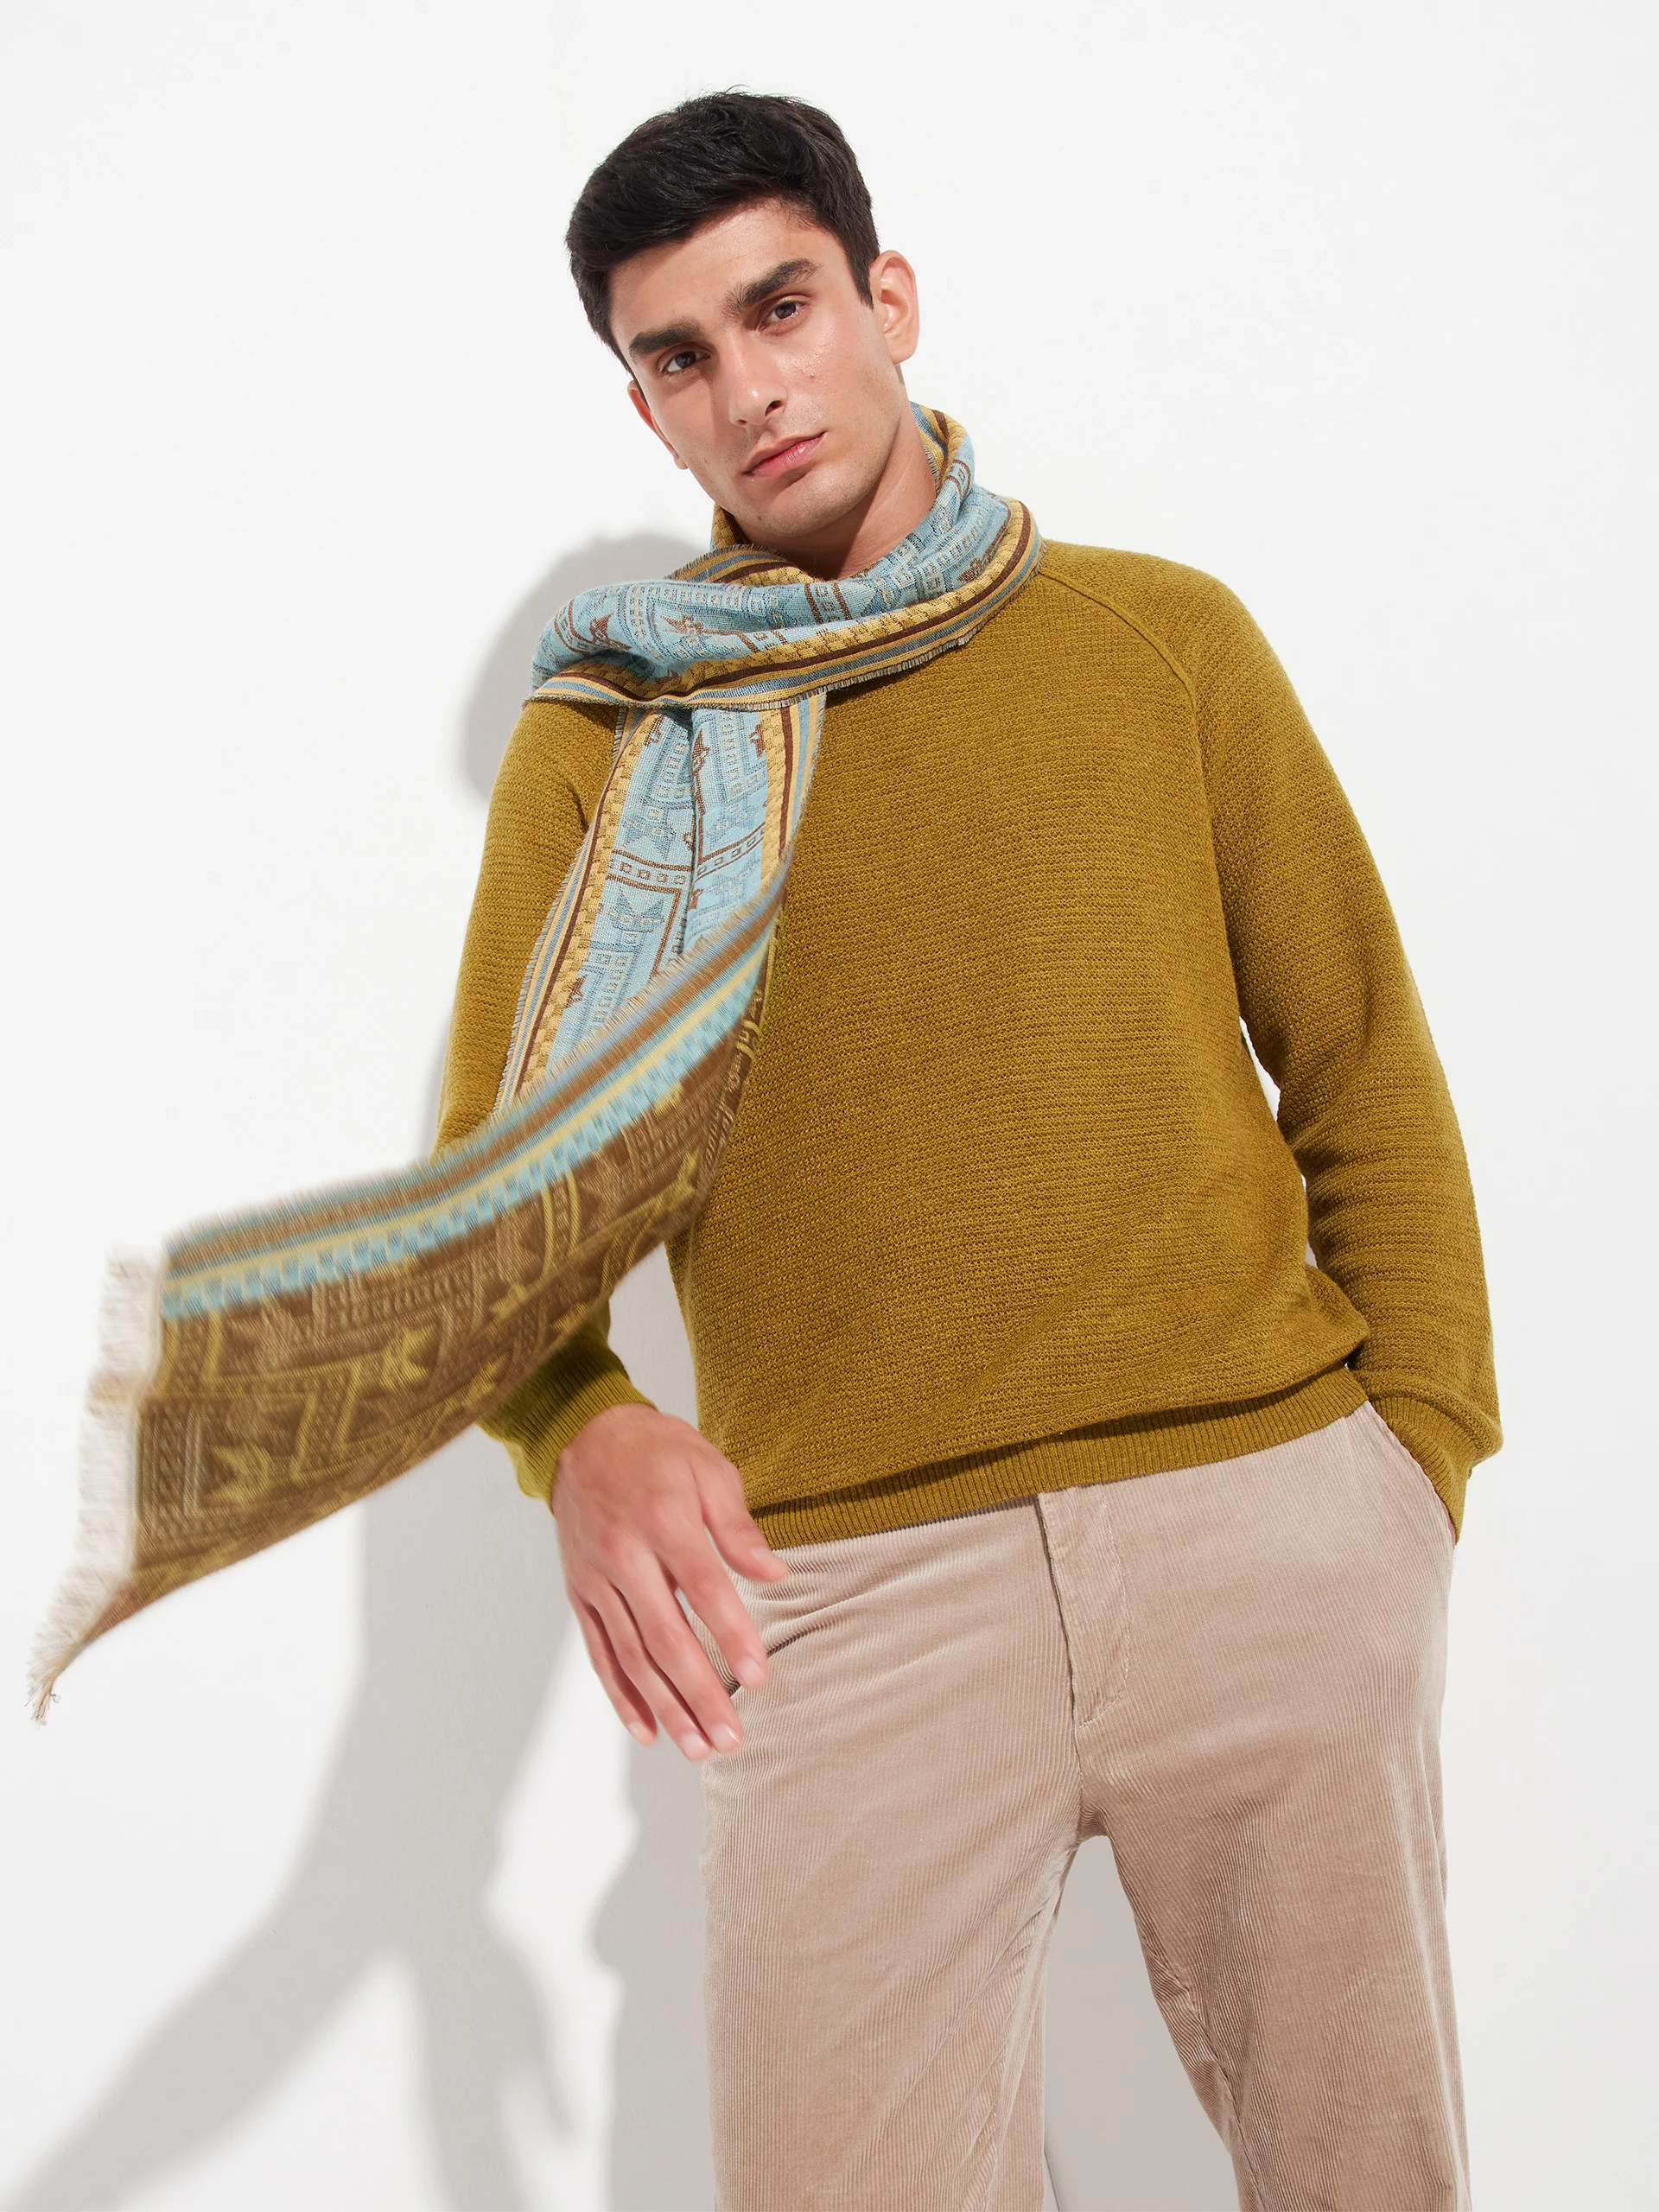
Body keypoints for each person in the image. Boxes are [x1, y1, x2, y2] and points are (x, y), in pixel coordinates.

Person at [436, 91, 1500, 2212]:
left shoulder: (1162, 640)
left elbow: (1360, 1061)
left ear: (887, 298)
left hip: (1264, 1520)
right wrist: (577, 1419)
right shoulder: (617, 736)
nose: (749, 387)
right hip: (849, 1588)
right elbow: (497, 1203)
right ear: (643, 407)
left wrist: (1417, 1467)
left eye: (783, 307)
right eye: (680, 354)